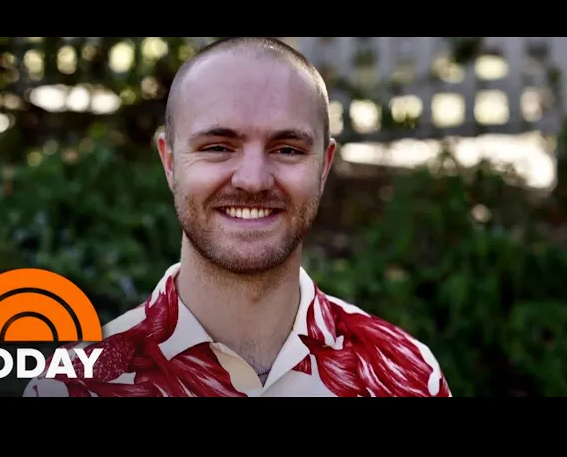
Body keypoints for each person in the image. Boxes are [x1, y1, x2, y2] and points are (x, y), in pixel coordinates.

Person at [24, 37, 452, 397]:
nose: (252, 180)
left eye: (287, 149)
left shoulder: (405, 375)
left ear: (324, 166)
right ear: (169, 162)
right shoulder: (74, 386)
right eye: (217, 147)